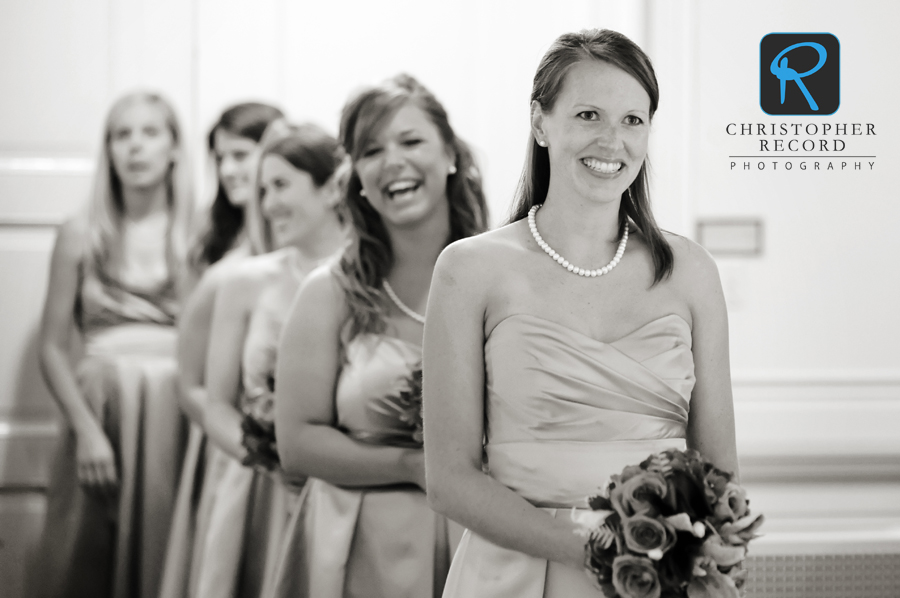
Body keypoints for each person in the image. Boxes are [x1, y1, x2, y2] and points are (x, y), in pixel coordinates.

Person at [423, 29, 739, 597]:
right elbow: (449, 479)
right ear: (540, 123)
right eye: (589, 115)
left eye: (633, 120)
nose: (612, 140)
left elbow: (717, 471)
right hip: (515, 576)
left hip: (657, 581)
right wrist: (599, 552)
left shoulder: (691, 271)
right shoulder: (468, 271)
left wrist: (703, 560)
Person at [271, 73, 489, 598]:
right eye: (371, 150)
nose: (392, 161)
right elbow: (296, 443)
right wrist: (414, 465)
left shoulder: (502, 281)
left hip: (480, 537)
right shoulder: (329, 292)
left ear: (450, 155)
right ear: (358, 179)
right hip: (356, 542)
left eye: (411, 141)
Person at [29, 91, 194, 598]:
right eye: (122, 135)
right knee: (84, 554)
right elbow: (52, 347)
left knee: (170, 548)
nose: (135, 148)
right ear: (108, 150)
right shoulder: (80, 234)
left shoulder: (200, 232)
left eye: (149, 133)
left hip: (177, 415)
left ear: (173, 149)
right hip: (99, 410)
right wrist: (87, 432)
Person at [191, 123, 349, 598]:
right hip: (258, 490)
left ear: (330, 188)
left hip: (344, 485)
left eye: (281, 185)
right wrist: (270, 462)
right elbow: (216, 403)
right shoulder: (244, 282)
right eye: (263, 190)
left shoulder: (366, 278)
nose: (267, 203)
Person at [159, 102, 284, 598]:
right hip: (232, 441)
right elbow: (188, 371)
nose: (231, 170)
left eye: (242, 155)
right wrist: (241, 441)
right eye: (221, 158)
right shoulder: (214, 255)